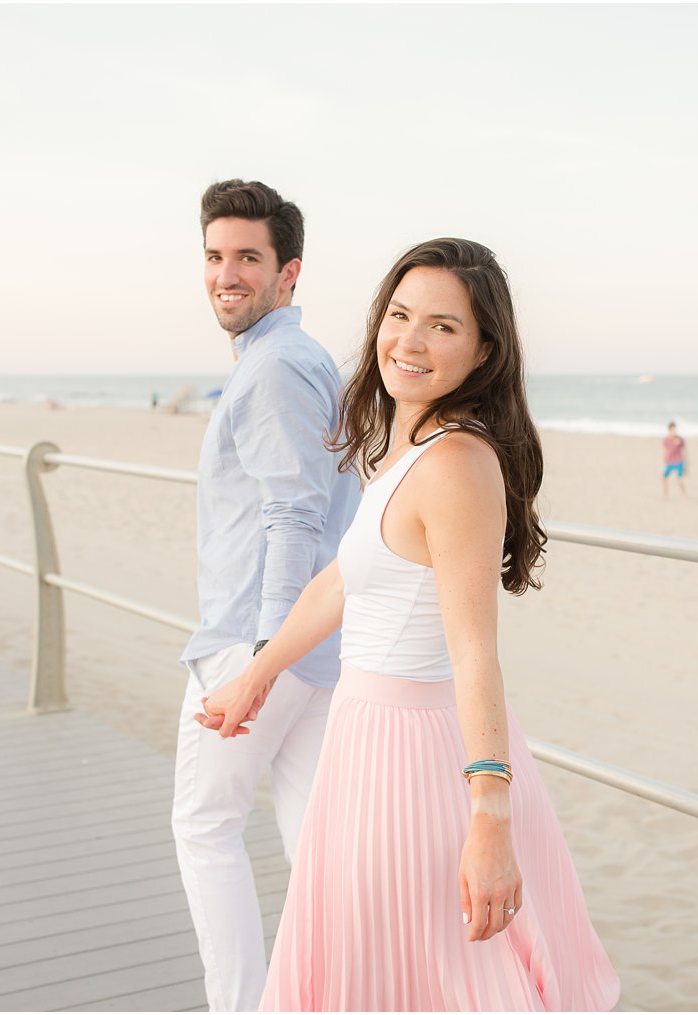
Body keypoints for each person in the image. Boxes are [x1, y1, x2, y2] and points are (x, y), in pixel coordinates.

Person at [197, 238, 620, 1011]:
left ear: (484, 349)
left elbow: (473, 652)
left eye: (443, 326)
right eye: (399, 315)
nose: (410, 341)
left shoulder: (457, 463)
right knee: (377, 976)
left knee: (431, 981)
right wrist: (255, 674)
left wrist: (490, 816)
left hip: (420, 762)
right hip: (364, 744)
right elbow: (339, 582)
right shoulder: (406, 445)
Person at [172, 179, 361, 1013]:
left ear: (288, 273)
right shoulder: (302, 357)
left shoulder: (276, 368)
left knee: (205, 827)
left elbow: (295, 509)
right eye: (215, 256)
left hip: (260, 640)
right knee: (317, 851)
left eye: (247, 257)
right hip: (313, 649)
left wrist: (260, 658)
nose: (226, 274)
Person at [661, 420, 687, 498]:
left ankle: (684, 494)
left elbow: (684, 451)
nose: (674, 431)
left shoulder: (680, 439)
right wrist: (664, 457)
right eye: (672, 430)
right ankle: (665, 495)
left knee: (679, 480)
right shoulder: (666, 439)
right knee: (664, 478)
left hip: (679, 461)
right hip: (670, 462)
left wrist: (686, 464)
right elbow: (665, 449)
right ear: (669, 430)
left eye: (675, 429)